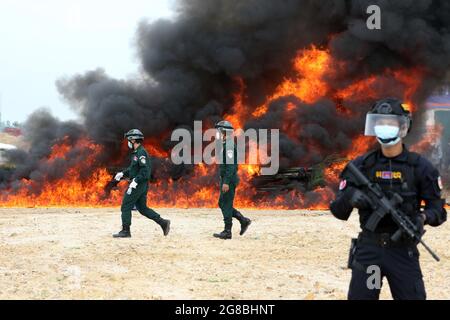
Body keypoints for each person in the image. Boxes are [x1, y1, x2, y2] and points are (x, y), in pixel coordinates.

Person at [330, 98, 447, 300]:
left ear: (402, 127)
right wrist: (351, 196)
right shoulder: (361, 166)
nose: (384, 127)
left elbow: (439, 211)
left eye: (390, 123)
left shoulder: (420, 168)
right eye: (380, 123)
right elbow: (338, 212)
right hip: (370, 251)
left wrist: (422, 218)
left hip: (402, 251)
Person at [113, 129, 171, 238]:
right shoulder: (136, 153)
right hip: (140, 184)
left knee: (126, 205)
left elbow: (145, 171)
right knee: (143, 209)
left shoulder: (141, 153)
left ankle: (126, 231)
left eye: (129, 140)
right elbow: (132, 169)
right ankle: (163, 223)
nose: (128, 142)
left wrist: (135, 181)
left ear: (133, 140)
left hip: (138, 185)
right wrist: (122, 173)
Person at [213, 121, 252, 240]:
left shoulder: (229, 146)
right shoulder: (226, 144)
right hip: (226, 179)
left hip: (228, 180)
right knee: (222, 203)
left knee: (226, 203)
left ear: (225, 132)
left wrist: (226, 182)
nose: (218, 133)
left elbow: (231, 166)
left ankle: (227, 231)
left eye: (220, 131)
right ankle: (243, 220)